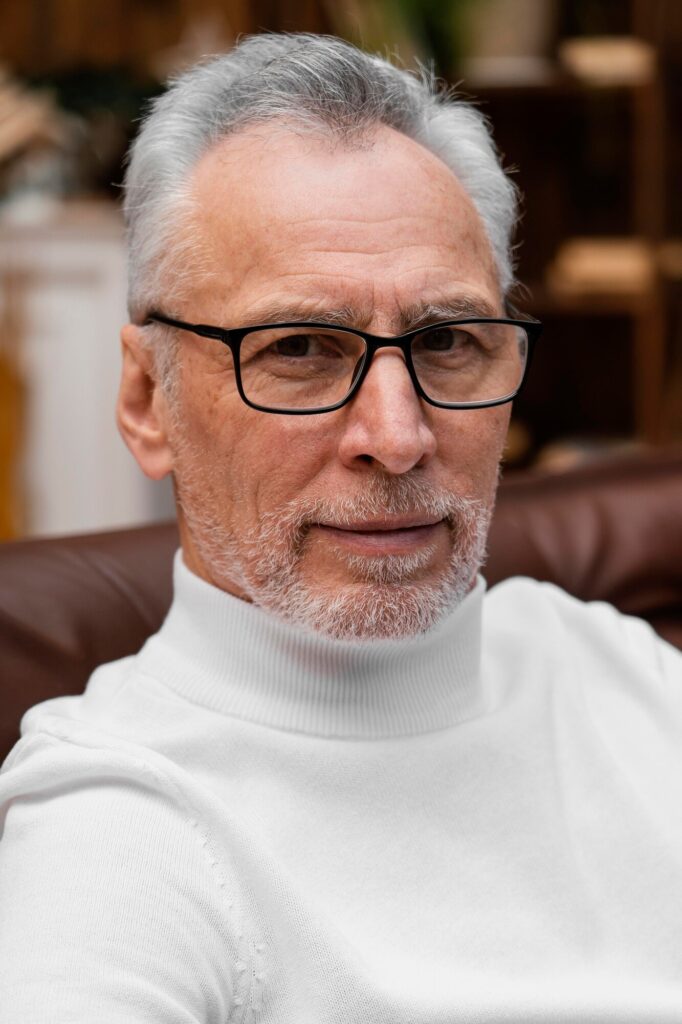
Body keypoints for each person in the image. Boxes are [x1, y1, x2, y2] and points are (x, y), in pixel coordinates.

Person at [1, 32, 681, 1023]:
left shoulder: (615, 667)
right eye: (298, 348)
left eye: (447, 341)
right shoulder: (119, 829)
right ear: (148, 400)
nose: (397, 438)